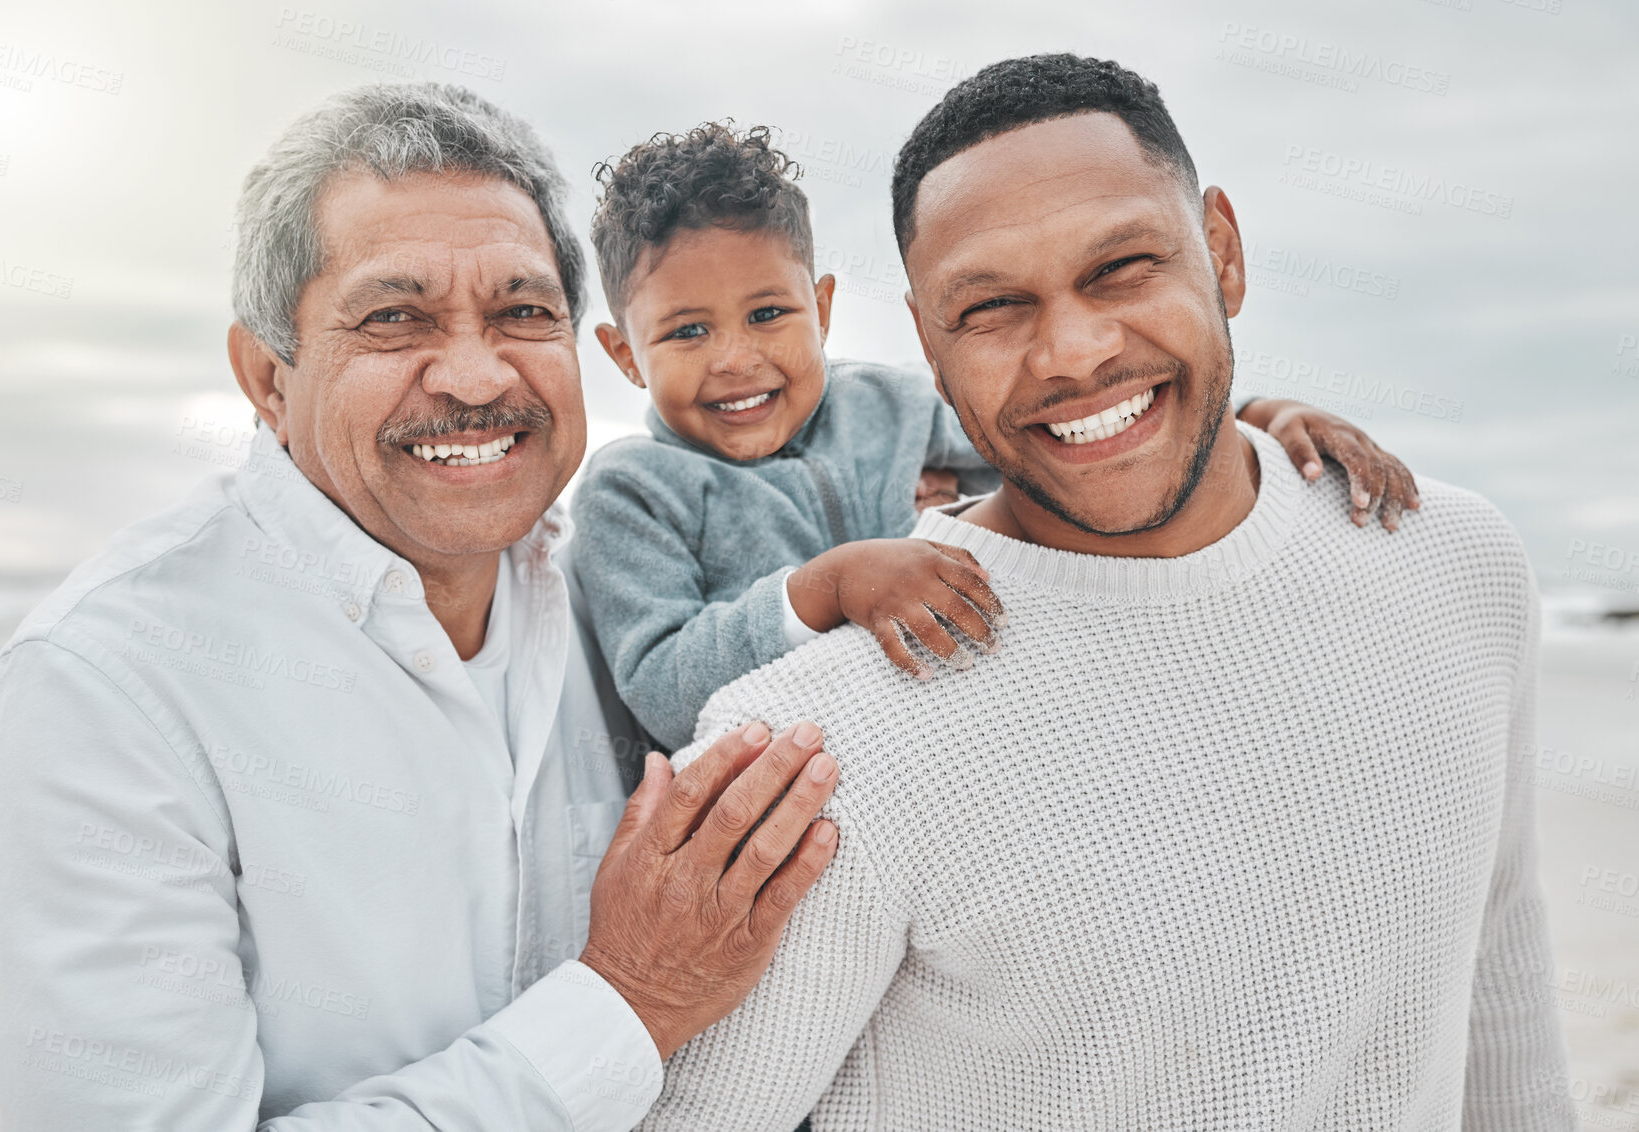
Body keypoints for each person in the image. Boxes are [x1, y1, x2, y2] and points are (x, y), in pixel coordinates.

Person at [638, 55, 1571, 1131]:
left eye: (1122, 266)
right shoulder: (821, 739)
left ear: (1220, 251)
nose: (1074, 351)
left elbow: (1501, 995)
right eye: (991, 306)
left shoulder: (1457, 567)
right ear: (929, 350)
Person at [0, 82, 845, 1131]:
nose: (472, 374)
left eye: (522, 312)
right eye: (393, 317)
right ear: (266, 378)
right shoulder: (106, 687)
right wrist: (632, 1001)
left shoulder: (624, 600)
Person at [570, 122, 1422, 752]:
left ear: (822, 310)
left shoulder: (889, 405)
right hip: (764, 816)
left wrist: (1253, 420)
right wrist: (827, 588)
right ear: (623, 356)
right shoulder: (631, 488)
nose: (735, 359)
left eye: (767, 314)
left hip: (937, 744)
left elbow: (1076, 440)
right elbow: (660, 688)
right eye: (686, 333)